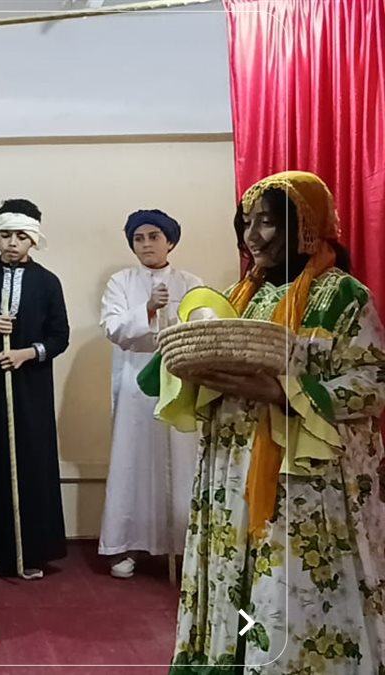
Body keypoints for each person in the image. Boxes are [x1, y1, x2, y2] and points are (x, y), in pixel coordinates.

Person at [150, 171, 384, 673]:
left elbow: (372, 382)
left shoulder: (342, 296)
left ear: (305, 226)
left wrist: (282, 392)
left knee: (290, 584)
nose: (252, 236)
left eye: (268, 223)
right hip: (231, 473)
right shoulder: (238, 297)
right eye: (246, 223)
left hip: (304, 481)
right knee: (235, 578)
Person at [0, 198, 69, 580]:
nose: (12, 243)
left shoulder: (47, 282)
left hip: (31, 386)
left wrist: (26, 353)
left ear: (33, 239)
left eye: (20, 236)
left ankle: (32, 549)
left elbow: (60, 336)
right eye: (5, 235)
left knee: (30, 459)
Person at [97, 209, 204, 579]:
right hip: (135, 383)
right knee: (132, 460)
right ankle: (126, 545)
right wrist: (147, 309)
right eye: (138, 238)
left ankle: (185, 546)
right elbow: (113, 328)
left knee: (181, 460)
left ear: (170, 241)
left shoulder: (191, 283)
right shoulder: (121, 282)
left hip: (178, 381)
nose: (146, 244)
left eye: (153, 237)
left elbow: (204, 325)